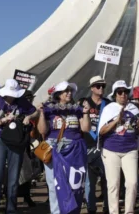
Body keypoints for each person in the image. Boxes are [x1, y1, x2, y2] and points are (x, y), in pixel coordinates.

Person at [0, 79, 36, 214]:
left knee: (14, 178)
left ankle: (11, 209)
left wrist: (28, 117)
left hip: (16, 140)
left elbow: (35, 111)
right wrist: (3, 120)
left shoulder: (22, 101)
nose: (13, 97)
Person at [38, 82, 89, 214]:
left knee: (74, 183)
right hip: (54, 148)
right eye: (65, 91)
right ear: (58, 94)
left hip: (75, 148)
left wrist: (86, 113)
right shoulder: (49, 109)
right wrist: (42, 115)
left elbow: (85, 128)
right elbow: (42, 130)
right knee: (55, 184)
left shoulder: (77, 108)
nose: (69, 93)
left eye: (70, 90)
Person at [98, 81, 139, 214]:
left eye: (125, 91)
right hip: (111, 150)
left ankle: (129, 211)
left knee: (132, 183)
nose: (123, 94)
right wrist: (117, 120)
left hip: (130, 150)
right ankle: (114, 212)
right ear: (115, 95)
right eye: (119, 92)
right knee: (113, 184)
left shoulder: (134, 109)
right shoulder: (109, 108)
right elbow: (102, 131)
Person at [80, 76, 108, 214]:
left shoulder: (108, 103)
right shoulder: (83, 103)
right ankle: (91, 208)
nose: (101, 88)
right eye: (98, 86)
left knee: (107, 179)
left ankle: (107, 207)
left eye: (103, 86)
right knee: (89, 182)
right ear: (92, 88)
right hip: (87, 145)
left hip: (104, 146)